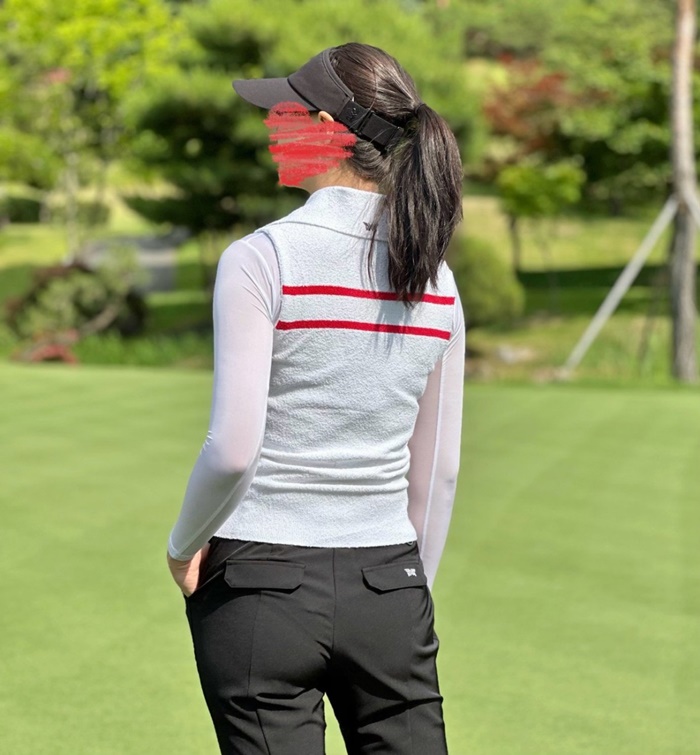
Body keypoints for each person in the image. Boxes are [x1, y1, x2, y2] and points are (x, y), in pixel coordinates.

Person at [166, 42, 465, 755]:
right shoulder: (436, 277)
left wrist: (182, 544)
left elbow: (233, 448)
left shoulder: (262, 257)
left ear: (327, 129)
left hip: (260, 585)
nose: (271, 126)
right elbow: (439, 470)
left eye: (284, 113)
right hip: (388, 583)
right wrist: (404, 588)